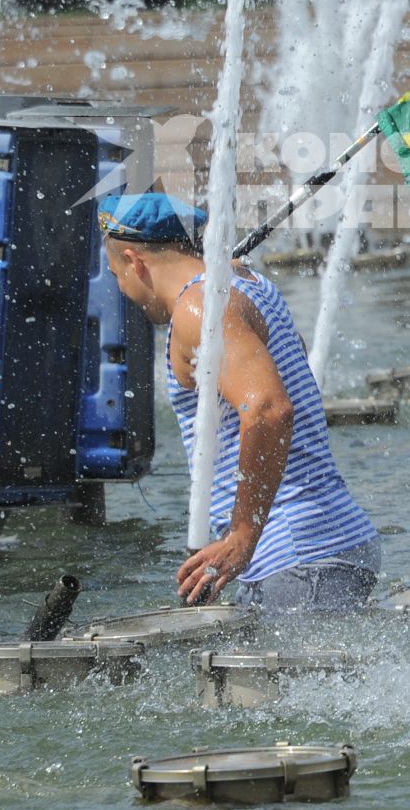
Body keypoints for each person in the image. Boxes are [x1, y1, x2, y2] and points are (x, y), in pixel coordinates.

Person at [98, 192, 379, 611]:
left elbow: (269, 410)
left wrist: (243, 535)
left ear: (134, 261)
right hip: (334, 543)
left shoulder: (198, 308)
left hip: (297, 557)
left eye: (117, 275)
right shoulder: (246, 282)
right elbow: (291, 362)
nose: (125, 291)